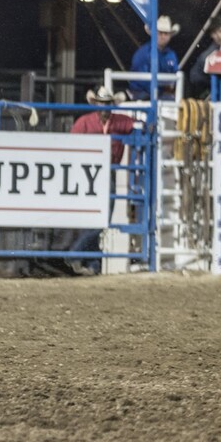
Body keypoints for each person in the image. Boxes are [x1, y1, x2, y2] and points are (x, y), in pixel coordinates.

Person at [68, 86, 135, 275]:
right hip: (89, 174)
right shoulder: (84, 123)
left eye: (107, 104)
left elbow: (139, 126)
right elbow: (71, 145)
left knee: (102, 220)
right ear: (96, 104)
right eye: (102, 104)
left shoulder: (121, 121)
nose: (104, 108)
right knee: (95, 220)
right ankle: (87, 260)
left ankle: (83, 258)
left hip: (108, 172)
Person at [129, 16, 180, 99]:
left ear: (170, 35)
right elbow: (141, 80)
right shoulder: (143, 53)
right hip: (141, 93)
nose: (163, 36)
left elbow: (175, 74)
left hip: (163, 94)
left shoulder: (171, 54)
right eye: (160, 33)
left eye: (166, 33)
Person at [188, 16, 221, 97]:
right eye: (214, 33)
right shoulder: (208, 56)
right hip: (204, 90)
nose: (219, 36)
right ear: (211, 35)